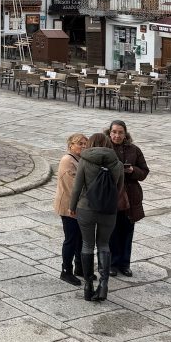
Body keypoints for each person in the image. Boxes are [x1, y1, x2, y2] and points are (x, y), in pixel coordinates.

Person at [69, 132, 123, 302]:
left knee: (87, 244)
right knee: (104, 244)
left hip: (86, 208)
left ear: (90, 144)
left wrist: (72, 207)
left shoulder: (84, 161)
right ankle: (104, 284)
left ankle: (88, 286)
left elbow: (77, 187)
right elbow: (119, 189)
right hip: (108, 210)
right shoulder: (118, 164)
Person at [106, 120, 148, 277]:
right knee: (111, 232)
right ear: (109, 133)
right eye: (114, 132)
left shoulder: (134, 149)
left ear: (125, 134)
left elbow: (144, 172)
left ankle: (125, 264)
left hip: (130, 196)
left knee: (127, 231)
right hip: (111, 196)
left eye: (120, 132)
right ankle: (111, 264)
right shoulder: (105, 149)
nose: (117, 135)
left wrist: (132, 170)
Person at [54, 133, 88, 286]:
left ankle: (79, 267)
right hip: (69, 207)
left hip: (79, 206)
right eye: (80, 143)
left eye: (85, 143)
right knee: (71, 239)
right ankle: (66, 271)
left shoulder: (80, 159)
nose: (83, 146)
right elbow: (73, 186)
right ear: (71, 146)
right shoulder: (67, 160)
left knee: (80, 238)